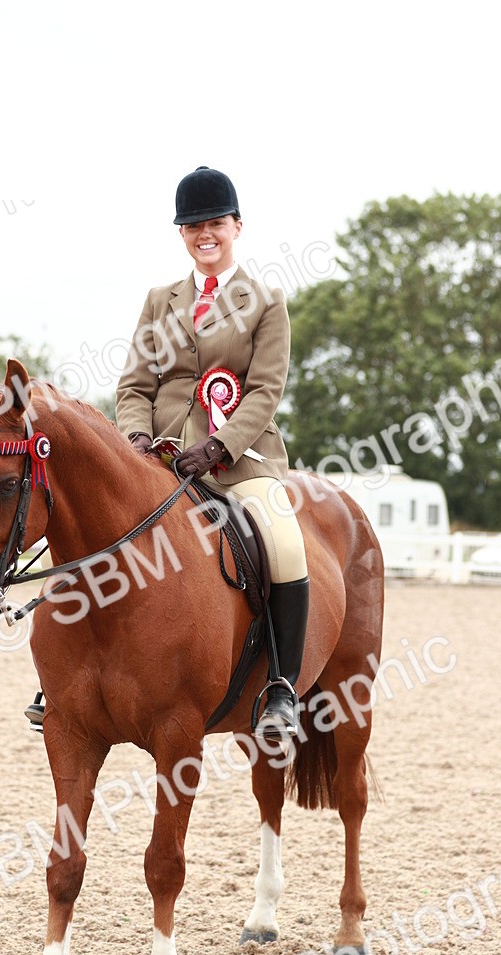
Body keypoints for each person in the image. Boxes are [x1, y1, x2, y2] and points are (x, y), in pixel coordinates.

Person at [114, 166, 309, 741]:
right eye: (193, 225)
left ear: (236, 227)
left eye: (215, 223)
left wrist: (219, 445)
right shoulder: (159, 300)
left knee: (284, 543)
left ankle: (281, 687)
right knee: (95, 528)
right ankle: (68, 679)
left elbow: (266, 390)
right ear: (182, 234)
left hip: (239, 460)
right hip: (158, 457)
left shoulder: (266, 302)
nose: (205, 233)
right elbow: (132, 387)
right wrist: (134, 439)